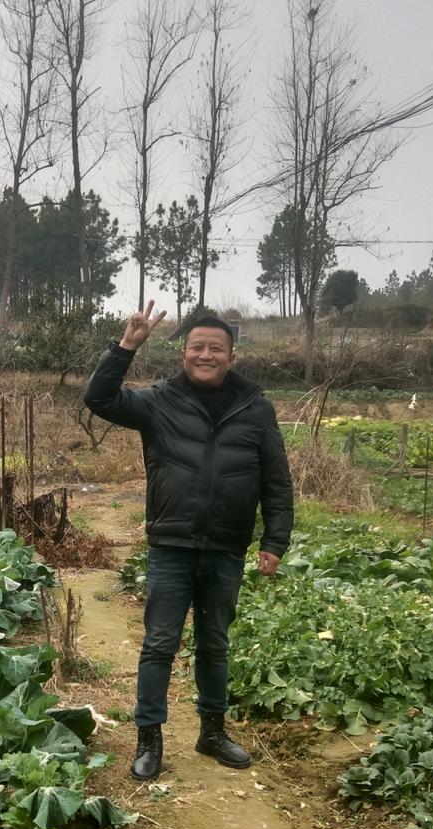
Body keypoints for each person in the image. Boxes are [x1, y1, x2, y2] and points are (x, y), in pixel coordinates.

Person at [84, 303, 293, 781]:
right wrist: (126, 347)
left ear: (231, 355)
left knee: (214, 644)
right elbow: (98, 399)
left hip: (225, 547)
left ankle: (212, 732)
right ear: (183, 353)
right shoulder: (159, 402)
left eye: (215, 348)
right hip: (172, 546)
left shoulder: (256, 409)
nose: (206, 354)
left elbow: (277, 482)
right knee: (159, 644)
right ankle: (149, 739)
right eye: (197, 346)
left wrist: (274, 539)